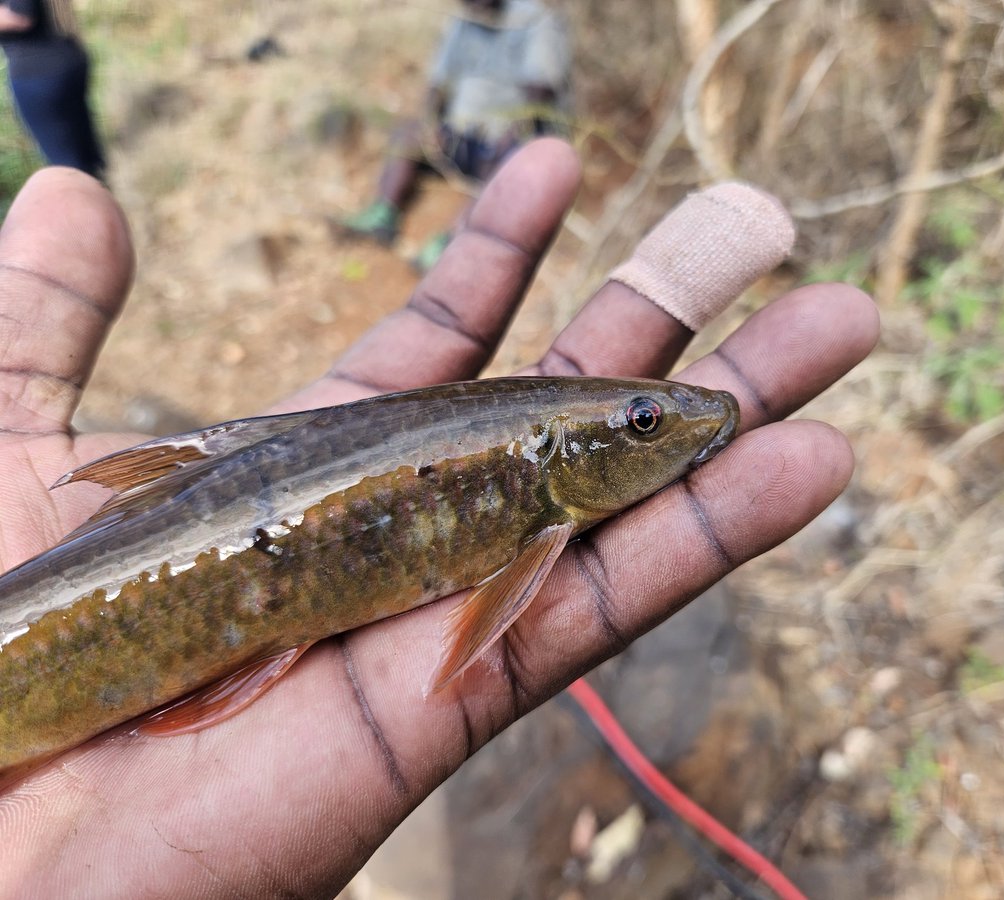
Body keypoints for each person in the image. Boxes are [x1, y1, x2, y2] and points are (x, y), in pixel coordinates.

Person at [0, 141, 877, 894]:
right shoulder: (541, 497)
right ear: (561, 454)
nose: (680, 423)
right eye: (645, 421)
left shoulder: (550, 485)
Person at [339, 0, 571, 253]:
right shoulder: (464, 20)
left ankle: (452, 242)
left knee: (510, 161)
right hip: (460, 134)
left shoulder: (536, 20)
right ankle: (383, 213)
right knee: (408, 132)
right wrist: (431, 123)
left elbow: (540, 94)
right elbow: (439, 83)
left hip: (504, 137)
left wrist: (512, 134)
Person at [0, 0, 105, 180]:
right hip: (64, 58)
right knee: (84, 157)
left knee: (68, 167)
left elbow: (21, 15)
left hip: (40, 74)